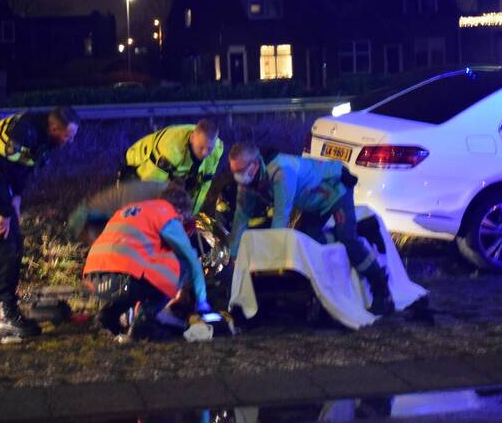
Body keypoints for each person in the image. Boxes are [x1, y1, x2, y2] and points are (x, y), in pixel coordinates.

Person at [227, 142, 394, 315]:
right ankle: (358, 229)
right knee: (307, 241)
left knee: (348, 239)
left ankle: (380, 286)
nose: (237, 176)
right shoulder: (247, 183)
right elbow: (241, 218)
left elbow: (281, 216)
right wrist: (233, 254)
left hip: (335, 190)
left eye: (239, 170)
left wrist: (274, 256)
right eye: (234, 172)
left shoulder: (281, 171)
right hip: (313, 203)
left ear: (254, 165)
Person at [0, 106, 79, 343]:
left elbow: (21, 170)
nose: (71, 141)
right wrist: (4, 214)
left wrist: (15, 203)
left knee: (13, 246)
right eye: (69, 135)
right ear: (55, 129)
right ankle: (5, 318)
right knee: (5, 250)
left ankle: (2, 312)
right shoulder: (23, 132)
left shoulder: (42, 136)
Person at [83, 185, 211, 341]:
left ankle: (108, 315)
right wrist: (202, 302)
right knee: (180, 264)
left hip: (94, 278)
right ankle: (145, 320)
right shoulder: (166, 214)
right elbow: (191, 259)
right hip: (124, 279)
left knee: (141, 272)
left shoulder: (131, 210)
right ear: (180, 212)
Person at [121, 119, 223, 215]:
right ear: (192, 138)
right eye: (201, 147)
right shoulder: (171, 149)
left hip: (175, 171)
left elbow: (203, 186)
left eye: (209, 148)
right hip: (137, 166)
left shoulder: (216, 150)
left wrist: (191, 216)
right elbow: (151, 186)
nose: (205, 153)